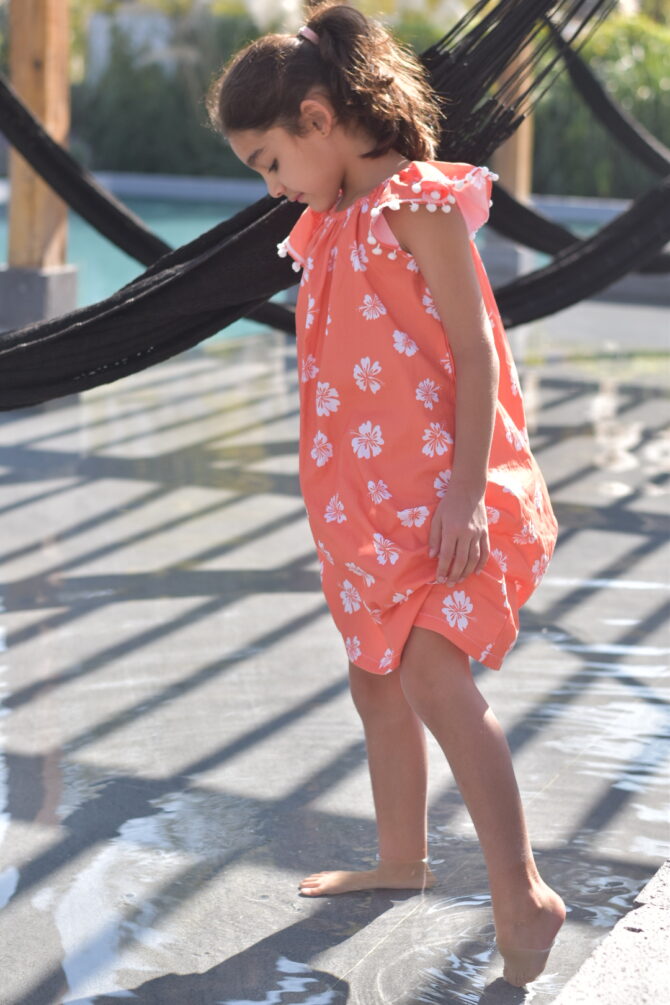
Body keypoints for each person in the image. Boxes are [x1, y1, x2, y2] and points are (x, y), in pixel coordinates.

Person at [207, 1, 566, 988]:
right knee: (376, 679)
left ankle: (522, 891)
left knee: (433, 680)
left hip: (448, 495)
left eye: (269, 160)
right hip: (363, 507)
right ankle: (400, 859)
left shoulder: (417, 203)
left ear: (318, 118)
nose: (273, 186)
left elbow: (474, 356)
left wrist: (460, 499)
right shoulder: (328, 228)